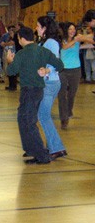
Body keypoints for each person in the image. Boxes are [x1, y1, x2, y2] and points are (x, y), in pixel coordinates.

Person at [5, 26, 63, 165]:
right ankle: (31, 149)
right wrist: (47, 69)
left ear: (22, 39)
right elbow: (60, 65)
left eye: (18, 38)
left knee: (29, 122)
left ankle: (42, 156)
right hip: (38, 91)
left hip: (28, 91)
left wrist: (9, 61)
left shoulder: (22, 54)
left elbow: (11, 72)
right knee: (22, 118)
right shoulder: (43, 51)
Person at [35, 16, 64, 160]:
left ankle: (56, 147)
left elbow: (54, 62)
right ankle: (54, 146)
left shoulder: (51, 43)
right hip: (47, 82)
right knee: (43, 115)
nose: (36, 28)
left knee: (43, 115)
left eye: (38, 26)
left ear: (44, 28)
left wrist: (46, 71)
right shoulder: (44, 42)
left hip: (50, 82)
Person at [58, 22, 82, 130]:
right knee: (62, 94)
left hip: (76, 70)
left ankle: (69, 111)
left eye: (74, 29)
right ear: (66, 30)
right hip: (63, 70)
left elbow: (87, 43)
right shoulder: (63, 40)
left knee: (72, 94)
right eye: (70, 29)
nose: (72, 31)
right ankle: (64, 118)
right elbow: (65, 47)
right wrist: (75, 40)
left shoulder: (77, 41)